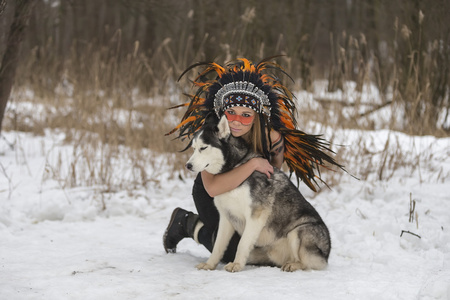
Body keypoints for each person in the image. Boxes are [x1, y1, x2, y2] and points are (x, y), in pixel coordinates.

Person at [163, 57, 343, 262]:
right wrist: (253, 164)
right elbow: (213, 188)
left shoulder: (271, 138)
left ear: (256, 116)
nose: (237, 121)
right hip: (212, 191)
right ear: (223, 112)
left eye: (245, 115)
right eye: (231, 112)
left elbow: (269, 181)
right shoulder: (212, 132)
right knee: (230, 253)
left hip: (247, 194)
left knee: (264, 251)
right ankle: (187, 223)